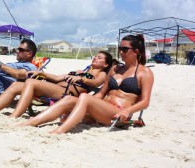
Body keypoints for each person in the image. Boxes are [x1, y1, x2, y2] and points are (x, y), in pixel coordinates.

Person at [18, 34, 154, 134]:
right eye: (120, 48)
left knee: (84, 97)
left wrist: (127, 111)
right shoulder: (115, 69)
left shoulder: (144, 72)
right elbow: (101, 93)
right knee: (69, 99)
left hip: (119, 114)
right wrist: (82, 103)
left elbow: (145, 102)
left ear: (136, 52)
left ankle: (59, 131)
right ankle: (29, 123)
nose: (121, 52)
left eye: (124, 49)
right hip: (102, 108)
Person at [0, 51, 113, 117]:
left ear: (106, 64)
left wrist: (81, 79)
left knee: (30, 82)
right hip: (57, 87)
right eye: (95, 56)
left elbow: (96, 83)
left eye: (99, 57)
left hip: (66, 93)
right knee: (16, 85)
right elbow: (57, 78)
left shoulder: (101, 74)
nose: (95, 57)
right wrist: (44, 74)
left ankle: (15, 115)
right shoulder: (81, 70)